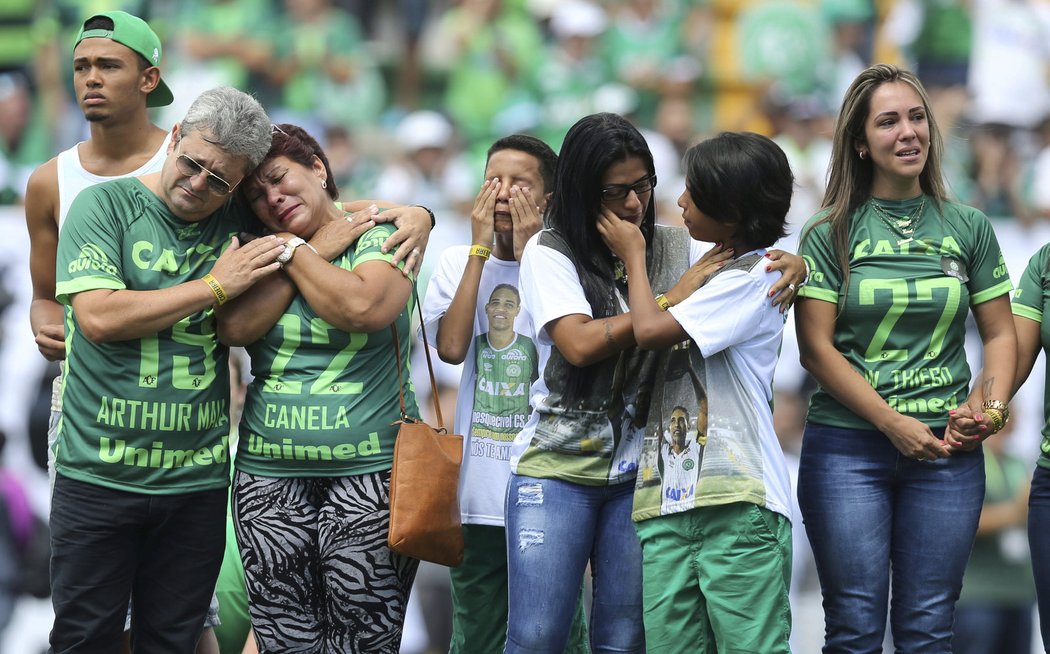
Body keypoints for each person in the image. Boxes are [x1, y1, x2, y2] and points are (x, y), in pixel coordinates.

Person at [506, 113, 805, 652]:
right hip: (560, 467)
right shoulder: (551, 251)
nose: (634, 204)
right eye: (615, 191)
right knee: (537, 635)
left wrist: (797, 263)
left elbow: (747, 252)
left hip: (647, 481)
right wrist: (666, 287)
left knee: (624, 640)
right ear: (579, 189)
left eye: (643, 186)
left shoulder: (680, 247)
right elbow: (578, 344)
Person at [49, 85, 285, 653]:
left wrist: (415, 213)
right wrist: (213, 286)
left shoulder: (238, 219)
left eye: (220, 179)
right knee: (85, 640)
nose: (200, 184)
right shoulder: (104, 206)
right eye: (193, 163)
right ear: (174, 137)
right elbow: (100, 316)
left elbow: (315, 208)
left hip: (195, 483)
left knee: (174, 643)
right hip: (97, 474)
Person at [794, 63, 1016, 652]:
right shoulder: (828, 231)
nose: (908, 132)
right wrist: (892, 424)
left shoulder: (968, 225)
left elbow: (1000, 335)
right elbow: (815, 350)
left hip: (946, 450)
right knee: (855, 629)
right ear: (860, 143)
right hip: (847, 449)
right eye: (888, 122)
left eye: (917, 117)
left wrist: (988, 408)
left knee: (928, 630)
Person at [215, 123, 422, 652]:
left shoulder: (380, 237)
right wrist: (292, 250)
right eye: (258, 195)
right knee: (284, 640)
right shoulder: (255, 253)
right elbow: (234, 329)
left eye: (280, 179)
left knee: (363, 641)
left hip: (371, 475)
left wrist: (296, 250)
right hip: (268, 478)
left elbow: (363, 307)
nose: (272, 198)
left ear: (319, 167)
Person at [599, 130, 795, 652]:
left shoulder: (759, 276)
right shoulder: (716, 271)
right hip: (667, 500)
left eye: (693, 191)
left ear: (730, 205)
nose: (679, 201)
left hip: (738, 503)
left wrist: (635, 257)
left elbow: (648, 330)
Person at [421, 133, 589, 653]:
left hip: (550, 484)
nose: (502, 193)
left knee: (560, 633)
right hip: (476, 492)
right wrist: (478, 251)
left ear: (549, 199)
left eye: (520, 183)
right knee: (474, 634)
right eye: (493, 179)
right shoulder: (455, 261)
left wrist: (535, 251)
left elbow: (567, 352)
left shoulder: (568, 264)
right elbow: (450, 348)